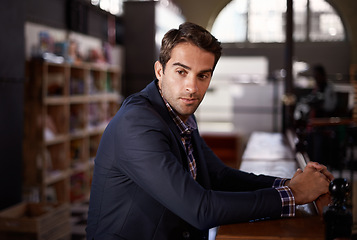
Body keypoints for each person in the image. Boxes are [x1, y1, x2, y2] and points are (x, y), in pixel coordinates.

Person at [86, 22, 333, 240]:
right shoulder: (137, 124)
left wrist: (290, 183)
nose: (192, 87)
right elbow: (200, 209)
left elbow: (219, 177)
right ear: (160, 71)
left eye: (203, 75)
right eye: (181, 72)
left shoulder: (179, 113)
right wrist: (293, 195)